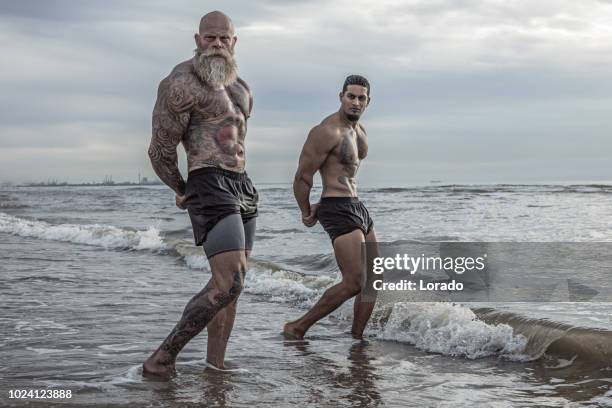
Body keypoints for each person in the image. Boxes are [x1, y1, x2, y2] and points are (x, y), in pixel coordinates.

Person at [143, 11, 257, 378]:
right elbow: (159, 150)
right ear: (197, 40)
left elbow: (238, 143)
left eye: (224, 39)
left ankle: (216, 366)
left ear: (234, 43)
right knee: (230, 282)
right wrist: (182, 189)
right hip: (207, 180)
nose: (217, 45)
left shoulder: (241, 88)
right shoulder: (180, 83)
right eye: (210, 38)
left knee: (232, 286)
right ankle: (162, 357)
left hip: (242, 185)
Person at [284, 75, 378, 340]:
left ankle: (357, 339)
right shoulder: (326, 131)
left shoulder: (360, 133)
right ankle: (298, 327)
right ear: (341, 97)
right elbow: (303, 176)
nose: (356, 102)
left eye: (361, 98)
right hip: (336, 206)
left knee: (374, 281)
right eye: (351, 96)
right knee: (354, 282)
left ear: (368, 101)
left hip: (357, 205)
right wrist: (305, 211)